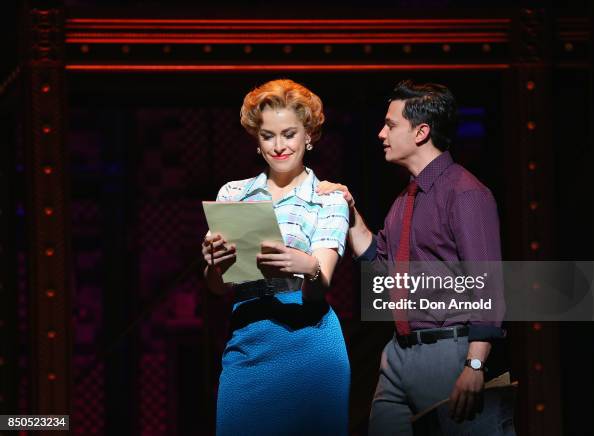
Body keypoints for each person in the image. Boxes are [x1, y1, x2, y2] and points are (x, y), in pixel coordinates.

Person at [317, 80, 514, 435]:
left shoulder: (466, 193)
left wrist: (474, 363)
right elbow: (380, 264)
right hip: (400, 353)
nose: (381, 133)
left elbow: (487, 284)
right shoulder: (405, 200)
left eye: (391, 125)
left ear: (421, 132)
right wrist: (348, 210)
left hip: (448, 349)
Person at [202, 79, 350, 436]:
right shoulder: (234, 193)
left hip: (310, 340)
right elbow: (219, 288)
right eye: (268, 136)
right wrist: (213, 263)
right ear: (257, 140)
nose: (279, 146)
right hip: (249, 338)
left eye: (289, 134)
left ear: (308, 135)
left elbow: (320, 285)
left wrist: (308, 267)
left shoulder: (328, 197)